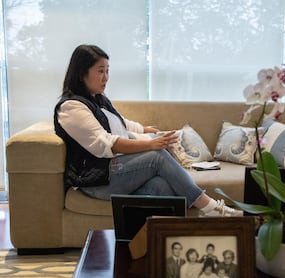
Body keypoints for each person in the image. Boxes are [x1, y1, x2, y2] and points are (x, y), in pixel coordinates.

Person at [53, 44, 244, 217]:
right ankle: (209, 207)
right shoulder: (71, 107)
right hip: (96, 181)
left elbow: (121, 124)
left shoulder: (98, 99)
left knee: (163, 186)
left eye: (108, 71)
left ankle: (166, 237)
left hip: (113, 171)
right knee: (156, 155)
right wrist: (150, 144)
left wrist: (146, 130)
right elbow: (104, 144)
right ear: (81, 74)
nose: (106, 78)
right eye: (100, 71)